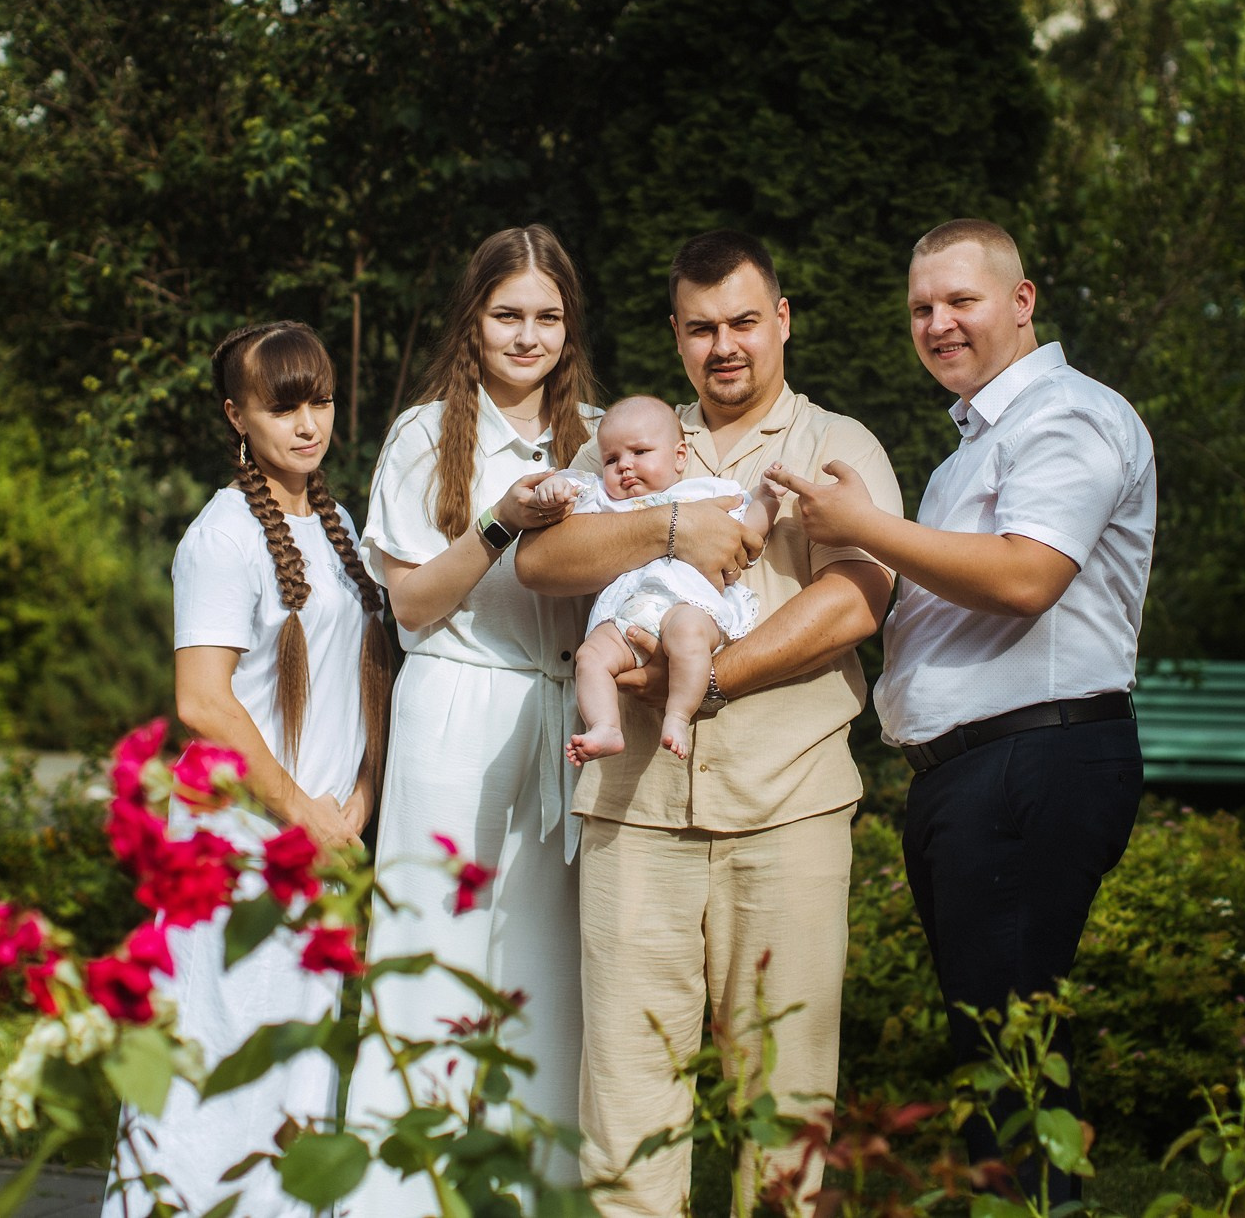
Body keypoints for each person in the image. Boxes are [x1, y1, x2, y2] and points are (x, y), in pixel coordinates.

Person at [513, 230, 903, 1217]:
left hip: (787, 806)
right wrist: (669, 525)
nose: (722, 345)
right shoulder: (634, 438)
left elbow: (859, 598)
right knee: (626, 1098)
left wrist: (714, 675)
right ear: (676, 335)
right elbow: (540, 561)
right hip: (635, 813)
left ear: (782, 320)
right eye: (699, 328)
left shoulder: (837, 444)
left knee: (785, 1103)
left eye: (742, 321)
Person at [768, 219, 1156, 1206]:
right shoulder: (969, 452)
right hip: (977, 775)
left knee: (1010, 1050)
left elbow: (1026, 577)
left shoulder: (1066, 416)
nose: (937, 323)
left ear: (1021, 302)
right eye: (920, 308)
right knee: (995, 1046)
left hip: (1035, 757)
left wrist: (867, 526)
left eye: (960, 301)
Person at [345, 225, 601, 1215]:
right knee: (433, 962)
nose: (528, 336)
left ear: (569, 327)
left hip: (562, 710)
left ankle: (536, 1195)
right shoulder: (424, 435)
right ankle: (398, 1195)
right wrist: (501, 521)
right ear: (473, 323)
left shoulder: (599, 432)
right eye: (507, 315)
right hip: (456, 701)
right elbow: (410, 606)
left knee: (547, 977)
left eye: (547, 316)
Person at [111, 320, 390, 1218]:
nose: (309, 424)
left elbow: (361, 680)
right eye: (283, 406)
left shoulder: (340, 527)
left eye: (322, 401)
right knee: (217, 1065)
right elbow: (203, 701)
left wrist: (358, 799)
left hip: (319, 834)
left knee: (295, 1070)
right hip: (237, 848)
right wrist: (306, 814)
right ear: (237, 415)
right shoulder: (221, 537)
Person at [531, 394, 786, 765]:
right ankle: (605, 726)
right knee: (590, 656)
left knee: (688, 636)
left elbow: (748, 532)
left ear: (679, 456)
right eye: (611, 459)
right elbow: (572, 491)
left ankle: (678, 715)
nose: (624, 466)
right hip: (626, 610)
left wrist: (767, 498)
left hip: (688, 602)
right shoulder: (606, 500)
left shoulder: (703, 492)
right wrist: (554, 489)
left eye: (640, 452)